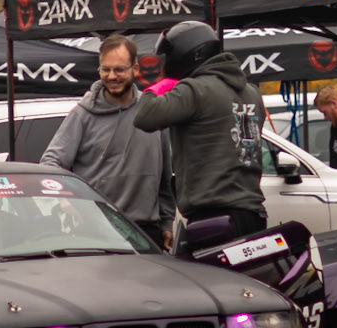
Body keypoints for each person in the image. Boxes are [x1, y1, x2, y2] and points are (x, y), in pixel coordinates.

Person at [133, 21, 267, 245]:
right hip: (254, 214)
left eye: (168, 57)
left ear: (190, 53)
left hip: (214, 219)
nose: (165, 64)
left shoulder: (195, 89)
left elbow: (144, 115)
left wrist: (162, 84)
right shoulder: (252, 92)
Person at [41, 32, 176, 247]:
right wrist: (67, 200)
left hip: (147, 232)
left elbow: (165, 179)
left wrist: (167, 222)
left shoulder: (152, 112)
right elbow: (50, 163)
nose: (112, 76)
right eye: (106, 69)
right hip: (97, 231)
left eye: (119, 69)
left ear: (135, 69)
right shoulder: (83, 114)